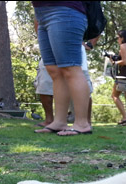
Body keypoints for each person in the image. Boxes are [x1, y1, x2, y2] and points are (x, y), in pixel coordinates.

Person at [32, 2, 92, 136]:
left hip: (65, 10)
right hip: (41, 15)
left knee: (71, 68)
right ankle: (59, 121)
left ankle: (82, 123)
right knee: (54, 71)